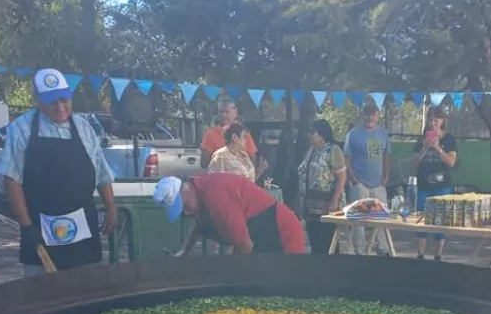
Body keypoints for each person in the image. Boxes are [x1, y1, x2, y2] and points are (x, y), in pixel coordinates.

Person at [0, 68, 118, 276]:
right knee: (42, 294)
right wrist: (26, 227)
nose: (61, 108)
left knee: (87, 289)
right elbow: (11, 179)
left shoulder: (84, 128)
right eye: (52, 102)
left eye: (64, 100)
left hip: (83, 228)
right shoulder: (22, 129)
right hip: (40, 229)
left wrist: (111, 207)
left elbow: (101, 172)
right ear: (38, 101)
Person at [156, 173, 304, 255]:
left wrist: (233, 278)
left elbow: (245, 245)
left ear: (186, 190)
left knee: (287, 286)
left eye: (185, 206)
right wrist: (184, 252)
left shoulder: (217, 198)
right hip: (258, 235)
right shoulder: (197, 191)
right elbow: (200, 224)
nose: (187, 212)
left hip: (281, 230)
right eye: (182, 212)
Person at [344, 103, 391, 256]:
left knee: (382, 217)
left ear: (378, 116)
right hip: (360, 183)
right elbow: (347, 159)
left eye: (373, 114)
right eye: (368, 114)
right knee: (358, 219)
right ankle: (360, 250)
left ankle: (383, 248)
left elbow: (386, 156)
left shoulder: (383, 133)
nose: (370, 118)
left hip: (378, 184)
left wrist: (386, 176)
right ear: (363, 116)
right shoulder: (353, 134)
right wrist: (354, 181)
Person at [412, 106, 458, 261]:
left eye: (436, 120)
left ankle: (438, 255)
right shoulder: (422, 138)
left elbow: (451, 162)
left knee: (440, 220)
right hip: (424, 184)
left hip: (441, 185)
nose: (433, 123)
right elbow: (415, 162)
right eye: (430, 120)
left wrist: (438, 148)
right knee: (421, 220)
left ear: (442, 120)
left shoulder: (448, 138)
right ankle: (420, 254)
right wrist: (425, 148)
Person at [297, 119, 347, 254]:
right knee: (315, 242)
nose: (310, 136)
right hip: (310, 206)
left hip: (326, 205)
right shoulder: (311, 151)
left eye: (312, 133)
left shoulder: (333, 150)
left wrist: (334, 200)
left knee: (328, 241)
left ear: (321, 135)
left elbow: (341, 176)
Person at [200, 99, 258, 170]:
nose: (224, 115)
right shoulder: (211, 134)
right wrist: (221, 158)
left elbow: (253, 163)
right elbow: (203, 163)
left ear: (235, 113)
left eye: (227, 112)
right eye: (221, 112)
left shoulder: (244, 134)